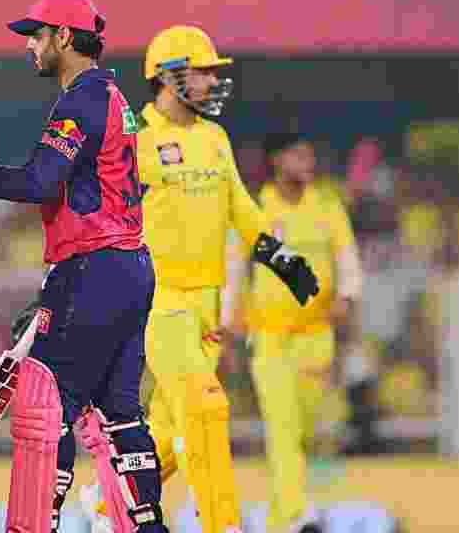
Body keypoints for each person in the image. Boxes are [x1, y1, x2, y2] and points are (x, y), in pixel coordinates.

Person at [0, 0, 168, 533]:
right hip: (129, 268)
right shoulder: (113, 97)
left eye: (37, 35)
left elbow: (39, 181)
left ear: (65, 36)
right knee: (120, 414)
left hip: (95, 269)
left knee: (48, 406)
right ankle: (149, 525)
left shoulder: (83, 98)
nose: (31, 47)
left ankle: (38, 525)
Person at [87, 26, 320, 533]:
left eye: (215, 73)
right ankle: (222, 524)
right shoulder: (136, 142)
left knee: (171, 434)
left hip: (208, 307)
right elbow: (100, 218)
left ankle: (109, 510)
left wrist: (284, 260)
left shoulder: (215, 139)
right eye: (204, 71)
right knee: (208, 408)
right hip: (159, 302)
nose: (213, 81)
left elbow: (242, 209)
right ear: (169, 77)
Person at [236, 133, 361, 533]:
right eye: (297, 155)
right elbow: (234, 265)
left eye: (310, 154)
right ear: (276, 160)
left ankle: (279, 523)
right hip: (268, 336)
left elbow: (347, 258)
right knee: (281, 426)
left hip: (316, 335)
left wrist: (348, 295)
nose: (306, 162)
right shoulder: (257, 207)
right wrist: (227, 316)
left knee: (301, 431)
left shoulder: (326, 205)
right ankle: (295, 513)